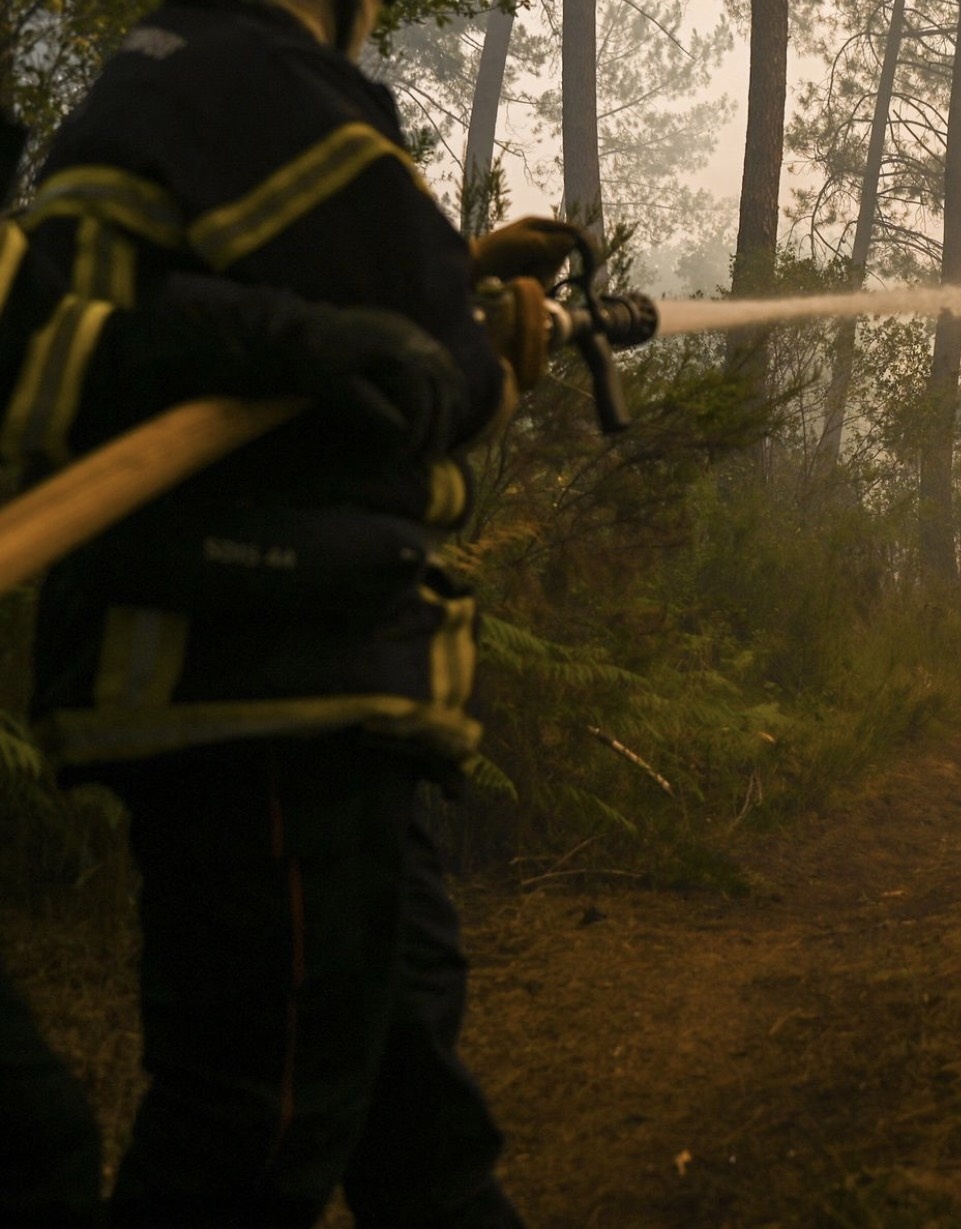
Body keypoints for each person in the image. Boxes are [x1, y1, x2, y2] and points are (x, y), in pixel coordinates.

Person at [20, 0, 581, 1224]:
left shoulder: (177, 80)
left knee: (413, 1117)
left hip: (295, 677)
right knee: (250, 1128)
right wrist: (482, 342)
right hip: (265, 679)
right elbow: (421, 358)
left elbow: (306, 326)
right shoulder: (261, 69)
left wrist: (459, 285)